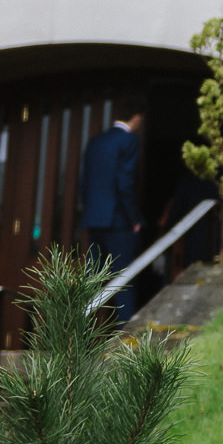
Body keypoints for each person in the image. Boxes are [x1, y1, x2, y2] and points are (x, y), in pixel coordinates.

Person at [79, 98, 146, 322]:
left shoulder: (95, 142)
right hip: (118, 221)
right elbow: (124, 183)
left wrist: (88, 211)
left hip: (94, 219)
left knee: (91, 279)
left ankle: (78, 333)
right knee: (122, 279)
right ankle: (125, 336)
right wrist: (134, 218)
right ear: (136, 118)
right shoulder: (128, 140)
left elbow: (84, 182)